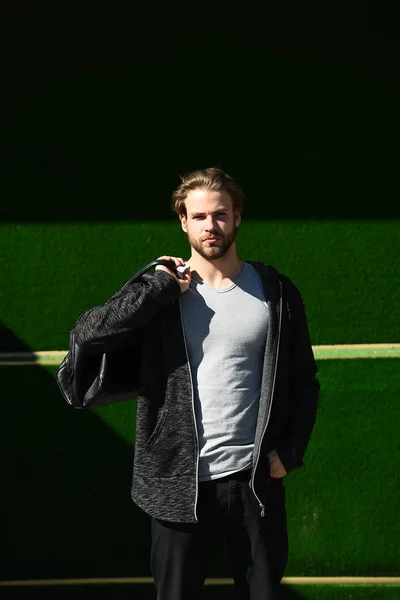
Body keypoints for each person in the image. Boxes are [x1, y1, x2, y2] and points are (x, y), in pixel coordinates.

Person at [74, 167, 320, 600]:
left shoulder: (275, 292)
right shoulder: (164, 290)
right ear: (183, 222)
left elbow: (304, 380)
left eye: (221, 214)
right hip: (177, 488)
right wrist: (157, 288)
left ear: (237, 217)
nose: (212, 226)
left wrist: (291, 450)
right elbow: (90, 334)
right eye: (201, 216)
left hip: (254, 485)